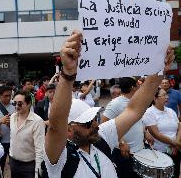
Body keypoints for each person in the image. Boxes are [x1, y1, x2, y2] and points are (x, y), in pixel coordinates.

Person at [43, 30, 174, 178]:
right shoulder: (59, 157)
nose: (95, 124)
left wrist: (158, 69)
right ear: (68, 131)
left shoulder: (101, 137)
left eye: (94, 119)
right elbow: (56, 123)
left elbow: (134, 110)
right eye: (87, 123)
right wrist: (67, 74)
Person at [101, 77, 151, 178]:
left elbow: (138, 121)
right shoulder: (115, 103)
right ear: (133, 87)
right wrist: (121, 143)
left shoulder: (136, 101)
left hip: (139, 152)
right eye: (137, 86)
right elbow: (104, 125)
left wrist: (145, 132)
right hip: (123, 154)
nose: (139, 87)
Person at [143, 88, 181, 178]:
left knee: (175, 174)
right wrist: (174, 143)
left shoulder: (171, 111)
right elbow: (156, 134)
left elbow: (179, 128)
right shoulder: (149, 113)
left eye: (167, 95)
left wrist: (176, 144)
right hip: (160, 152)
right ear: (155, 98)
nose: (167, 97)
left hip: (175, 150)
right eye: (164, 95)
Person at [9, 90, 45, 178]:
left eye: (20, 103)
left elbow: (39, 149)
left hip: (29, 166)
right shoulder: (12, 117)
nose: (17, 106)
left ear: (29, 104)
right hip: (13, 162)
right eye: (15, 103)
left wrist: (37, 172)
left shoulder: (37, 121)